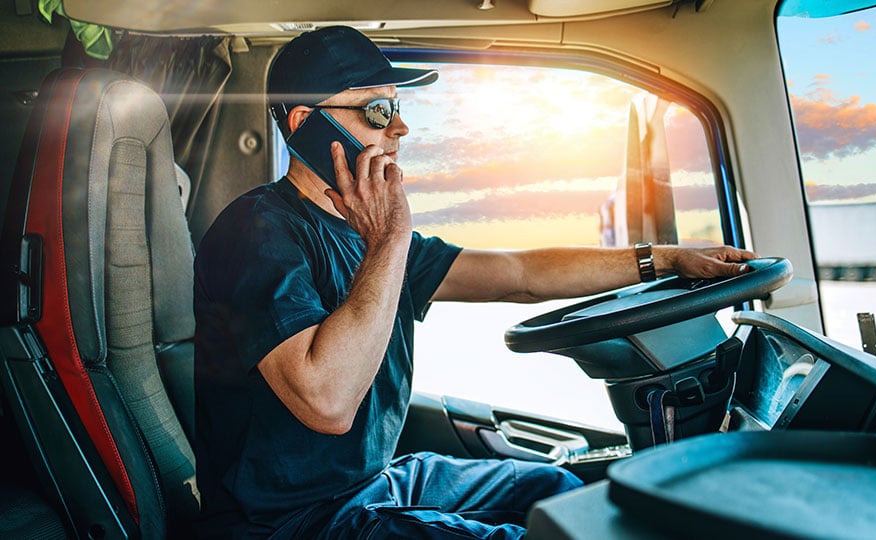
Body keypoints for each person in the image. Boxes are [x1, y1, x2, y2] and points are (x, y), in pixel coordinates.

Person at [193, 25, 757, 540]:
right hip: (287, 523)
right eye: (377, 110)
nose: (401, 127)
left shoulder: (368, 235)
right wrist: (390, 240)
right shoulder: (256, 233)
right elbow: (328, 402)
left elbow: (520, 276)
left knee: (567, 499)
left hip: (371, 484)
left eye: (399, 108)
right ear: (304, 123)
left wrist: (665, 258)